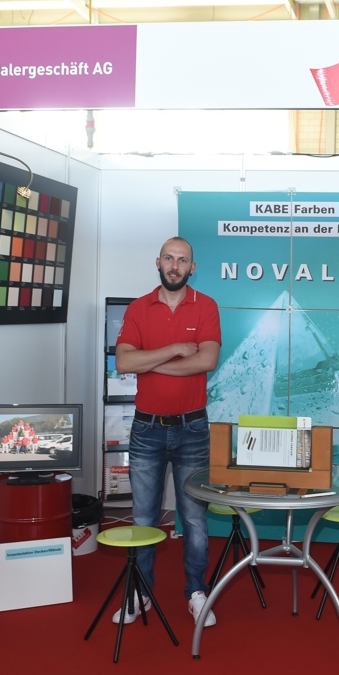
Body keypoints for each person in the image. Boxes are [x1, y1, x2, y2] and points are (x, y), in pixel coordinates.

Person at [114, 236, 222, 627]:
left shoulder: (206, 305)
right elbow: (124, 362)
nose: (175, 266)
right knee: (143, 517)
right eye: (169, 259)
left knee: (193, 519)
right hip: (147, 429)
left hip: (192, 428)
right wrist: (175, 348)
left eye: (183, 260)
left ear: (192, 268)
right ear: (158, 262)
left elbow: (206, 360)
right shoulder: (138, 308)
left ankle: (196, 592)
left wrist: (148, 362)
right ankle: (141, 592)